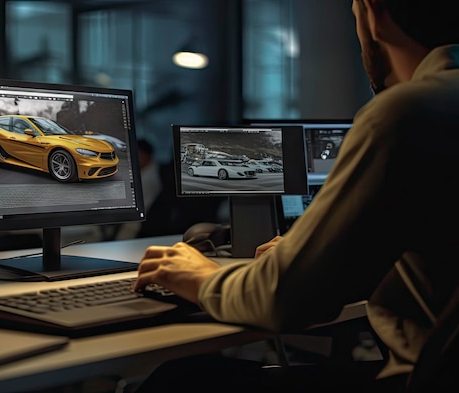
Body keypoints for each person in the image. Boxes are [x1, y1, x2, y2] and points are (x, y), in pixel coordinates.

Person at [132, 0, 459, 391]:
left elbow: (282, 299)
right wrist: (325, 254)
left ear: (374, 16)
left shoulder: (411, 112)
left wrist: (201, 278)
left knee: (181, 380)